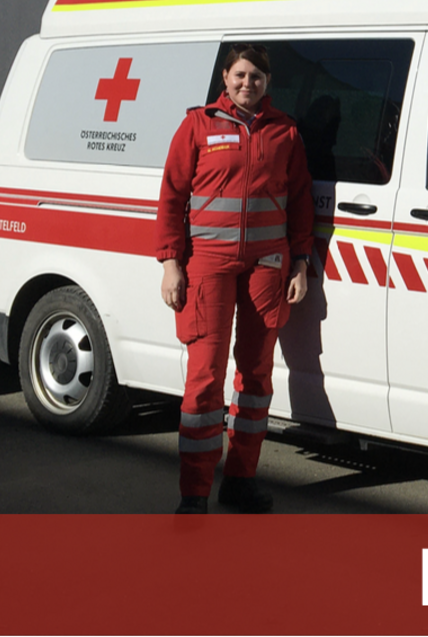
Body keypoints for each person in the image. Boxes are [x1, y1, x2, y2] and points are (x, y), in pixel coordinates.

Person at [153, 43, 317, 515]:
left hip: (269, 265)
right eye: (241, 75)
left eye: (257, 77)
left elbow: (301, 201)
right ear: (224, 78)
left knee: (256, 376)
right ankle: (195, 491)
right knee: (205, 380)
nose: (249, 83)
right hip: (208, 265)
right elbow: (170, 198)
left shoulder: (285, 131)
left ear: (268, 82)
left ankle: (241, 480)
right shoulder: (198, 125)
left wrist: (300, 263)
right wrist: (170, 263)